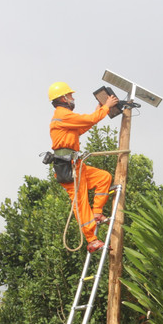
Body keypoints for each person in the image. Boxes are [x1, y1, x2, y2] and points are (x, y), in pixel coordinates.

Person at [48, 81, 120, 253]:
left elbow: (81, 128)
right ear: (63, 98)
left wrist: (99, 112)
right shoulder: (62, 114)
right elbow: (87, 120)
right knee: (80, 202)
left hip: (76, 165)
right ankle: (91, 239)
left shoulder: (65, 117)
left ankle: (97, 214)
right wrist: (106, 107)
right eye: (70, 95)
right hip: (68, 167)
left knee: (103, 177)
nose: (73, 98)